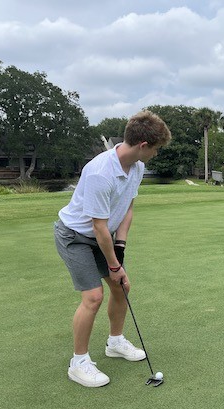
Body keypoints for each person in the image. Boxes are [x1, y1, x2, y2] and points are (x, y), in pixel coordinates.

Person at [54, 110, 171, 387]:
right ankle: (79, 362)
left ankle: (115, 342)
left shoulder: (137, 167)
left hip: (103, 236)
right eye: (155, 149)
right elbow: (97, 227)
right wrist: (114, 265)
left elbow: (127, 207)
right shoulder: (99, 172)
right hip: (75, 236)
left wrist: (120, 246)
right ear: (143, 146)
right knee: (93, 297)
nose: (155, 154)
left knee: (122, 287)